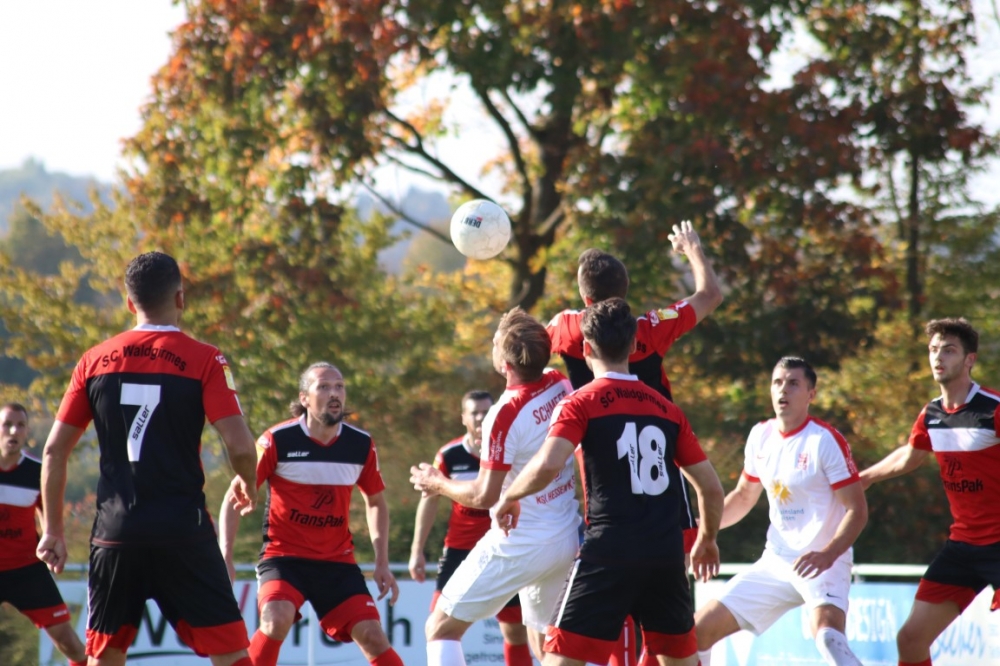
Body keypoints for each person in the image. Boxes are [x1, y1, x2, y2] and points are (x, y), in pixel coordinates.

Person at [36, 251, 258, 666]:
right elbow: (243, 448)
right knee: (231, 653)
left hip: (116, 531)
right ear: (180, 298)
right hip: (183, 530)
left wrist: (52, 530)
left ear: (129, 302)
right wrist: (248, 480)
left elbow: (53, 450)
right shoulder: (205, 359)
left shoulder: (93, 361)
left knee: (105, 655)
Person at [495, 298, 725, 666]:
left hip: (609, 552)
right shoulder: (667, 409)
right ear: (633, 345)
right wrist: (707, 539)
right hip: (665, 555)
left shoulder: (580, 403)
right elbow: (710, 488)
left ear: (586, 348)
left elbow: (548, 465)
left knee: (559, 658)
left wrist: (511, 495)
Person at [547, 221, 723, 665]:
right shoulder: (649, 327)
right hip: (665, 493)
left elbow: (531, 345)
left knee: (612, 617)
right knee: (666, 622)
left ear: (584, 295)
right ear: (625, 292)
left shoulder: (568, 326)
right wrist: (693, 250)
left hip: (608, 489)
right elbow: (709, 295)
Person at [410, 307, 581, 665]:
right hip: (566, 534)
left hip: (522, 541)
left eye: (494, 343)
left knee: (439, 628)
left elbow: (483, 495)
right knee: (547, 648)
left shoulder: (503, 413)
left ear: (505, 364)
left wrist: (437, 482)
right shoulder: (558, 382)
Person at [218, 361, 403, 666]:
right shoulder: (277, 440)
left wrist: (382, 562)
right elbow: (232, 497)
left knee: (373, 635)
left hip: (337, 562)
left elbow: (376, 503)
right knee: (275, 620)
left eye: (339, 386)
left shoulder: (361, 445)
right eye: (324, 387)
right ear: (304, 398)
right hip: (283, 559)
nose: (334, 393)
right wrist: (225, 557)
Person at [693, 357, 867, 666]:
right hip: (776, 560)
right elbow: (743, 497)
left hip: (823, 560)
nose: (783, 389)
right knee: (696, 633)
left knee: (829, 639)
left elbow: (857, 510)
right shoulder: (760, 435)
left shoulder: (824, 440)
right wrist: (700, 528)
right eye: (777, 382)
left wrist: (827, 554)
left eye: (793, 383)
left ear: (811, 394)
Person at [860, 317, 1000, 666]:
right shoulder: (932, 414)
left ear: (969, 359)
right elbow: (910, 456)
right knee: (910, 639)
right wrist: (862, 479)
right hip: (963, 547)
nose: (939, 356)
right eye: (934, 349)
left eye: (949, 350)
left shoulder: (993, 408)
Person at [408, 390, 531, 665]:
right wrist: (417, 551)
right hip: (460, 551)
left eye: (486, 412)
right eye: (474, 412)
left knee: (515, 632)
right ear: (463, 417)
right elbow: (429, 500)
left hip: (504, 548)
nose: (480, 417)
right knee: (437, 625)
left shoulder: (511, 452)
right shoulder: (449, 455)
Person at [0, 402, 87, 666]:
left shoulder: (38, 473)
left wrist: (53, 549)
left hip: (27, 570)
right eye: (7, 425)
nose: (14, 431)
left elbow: (50, 524)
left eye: (20, 425)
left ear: (27, 432)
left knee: (70, 644)